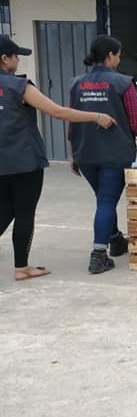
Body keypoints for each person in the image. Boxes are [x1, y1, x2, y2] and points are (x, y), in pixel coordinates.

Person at [0, 34, 116, 281]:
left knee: (5, 210)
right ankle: (22, 267)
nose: (18, 60)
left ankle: (22, 266)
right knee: (24, 213)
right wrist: (96, 116)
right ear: (4, 59)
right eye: (15, 56)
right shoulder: (18, 86)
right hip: (24, 161)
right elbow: (57, 111)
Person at [69, 35, 137, 274]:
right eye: (118, 55)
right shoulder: (122, 83)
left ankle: (115, 239)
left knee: (103, 198)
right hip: (114, 153)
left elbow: (71, 121)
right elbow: (136, 120)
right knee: (107, 202)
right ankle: (98, 255)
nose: (119, 60)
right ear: (110, 55)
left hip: (85, 152)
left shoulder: (77, 83)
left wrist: (73, 154)